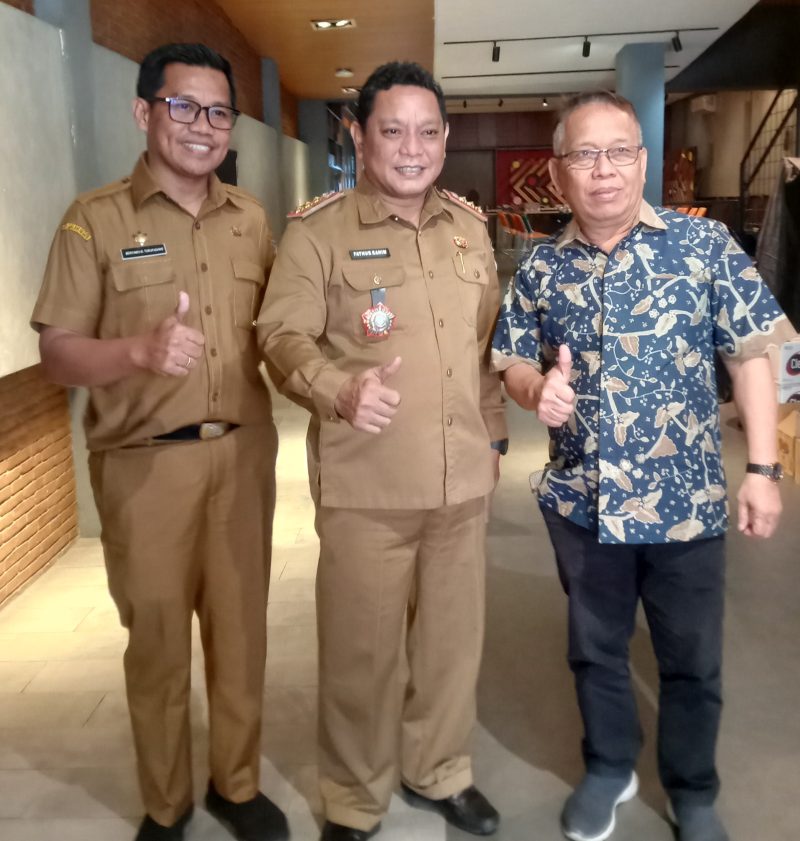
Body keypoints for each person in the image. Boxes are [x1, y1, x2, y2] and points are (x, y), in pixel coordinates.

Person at [491, 91, 794, 841]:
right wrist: (536, 389)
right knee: (595, 650)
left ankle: (692, 788)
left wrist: (763, 470)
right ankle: (608, 765)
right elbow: (511, 361)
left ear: (643, 160)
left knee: (691, 658)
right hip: (582, 502)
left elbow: (752, 354)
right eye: (584, 155)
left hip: (686, 502)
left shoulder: (704, 245)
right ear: (557, 172)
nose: (603, 170)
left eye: (619, 151)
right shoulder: (541, 267)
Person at [31, 43, 287, 841]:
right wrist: (137, 351)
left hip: (242, 456)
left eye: (219, 112)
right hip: (143, 467)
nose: (202, 126)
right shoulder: (94, 219)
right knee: (157, 642)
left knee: (241, 634)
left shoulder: (251, 220)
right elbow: (57, 353)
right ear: (145, 112)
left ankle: (236, 785)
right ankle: (166, 803)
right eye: (183, 106)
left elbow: (281, 331)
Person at [258, 62, 507, 841]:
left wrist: (494, 438)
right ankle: (353, 796)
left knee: (450, 650)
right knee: (360, 657)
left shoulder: (469, 228)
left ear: (445, 138)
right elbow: (280, 334)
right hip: (368, 489)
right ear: (360, 137)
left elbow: (485, 347)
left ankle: (440, 770)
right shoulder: (318, 232)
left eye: (427, 131)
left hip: (460, 483)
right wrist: (338, 389)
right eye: (392, 131)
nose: (412, 148)